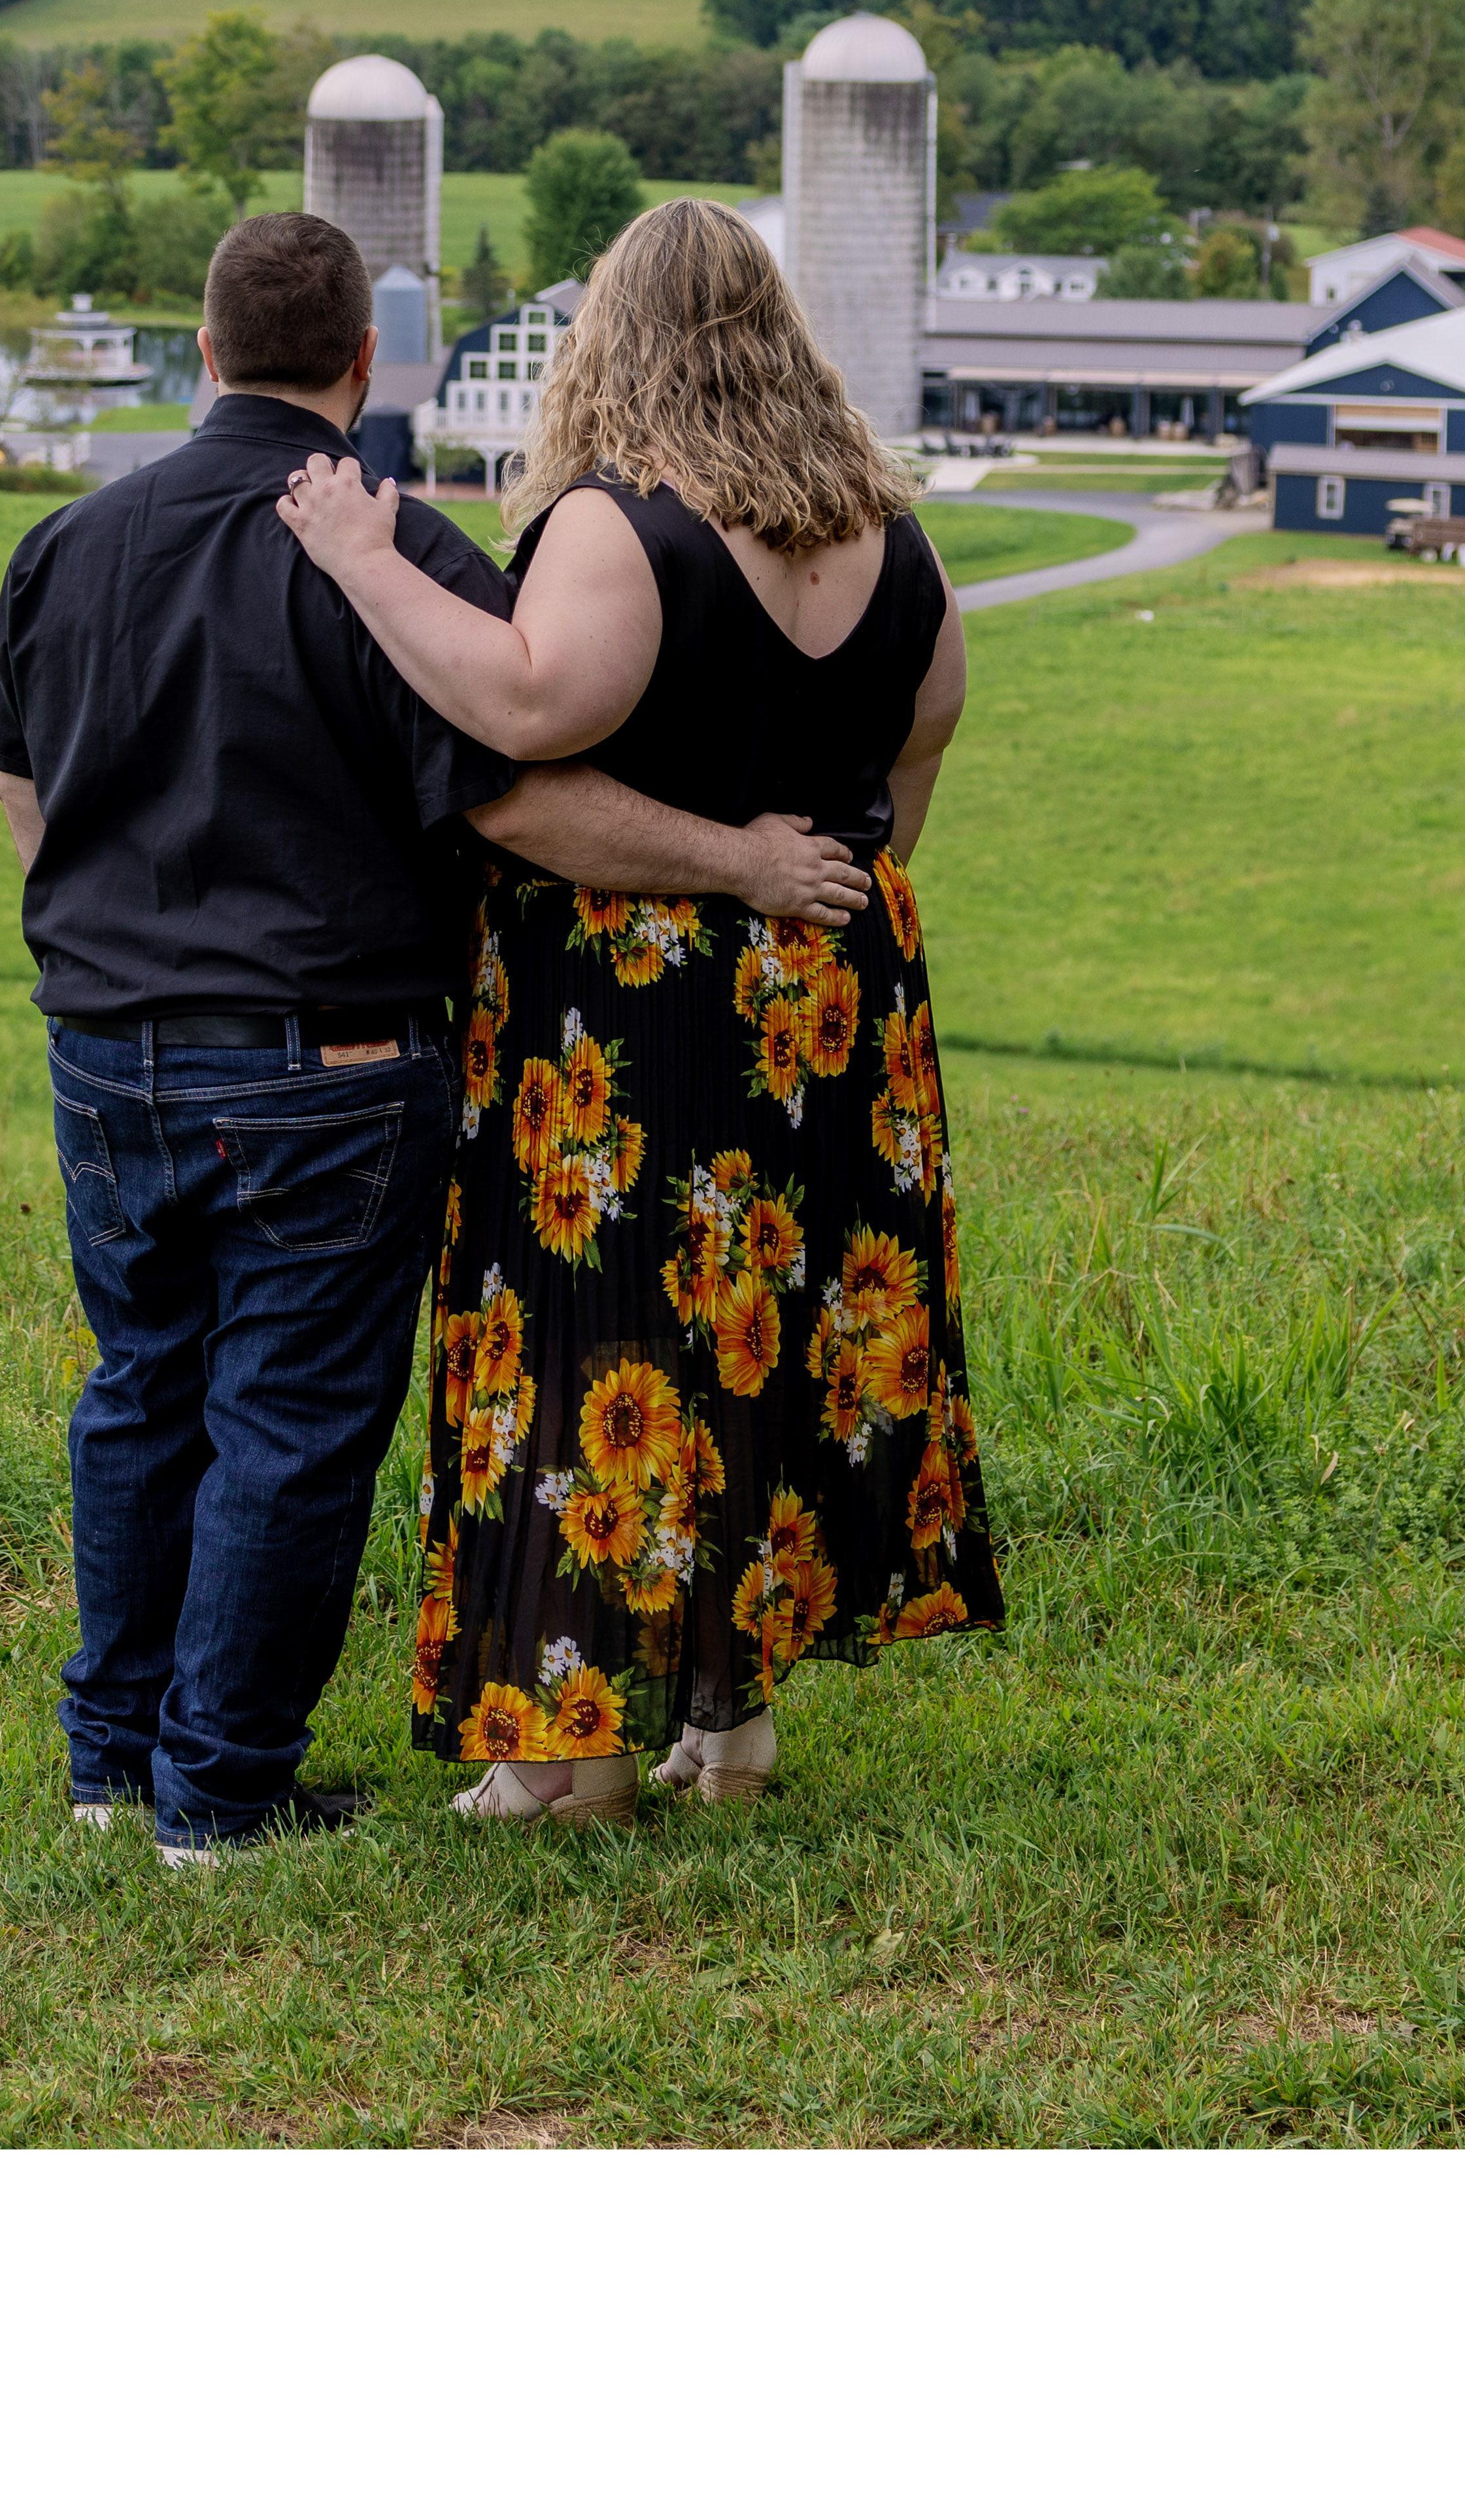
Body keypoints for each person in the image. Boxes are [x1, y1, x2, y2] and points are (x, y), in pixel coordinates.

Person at [0, 208, 883, 1868]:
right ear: (363, 360)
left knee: (137, 1392)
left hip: (101, 1048)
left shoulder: (66, 542)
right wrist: (740, 861)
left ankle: (110, 1761)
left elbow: (15, 775)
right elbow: (520, 796)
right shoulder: (402, 559)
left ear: (204, 350)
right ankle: (218, 1792)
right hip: (327, 1054)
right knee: (289, 1422)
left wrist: (102, 941)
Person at [275, 195, 1001, 1824]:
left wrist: (363, 560)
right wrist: (806, 899)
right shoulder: (895, 537)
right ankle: (731, 1732)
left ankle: (570, 1757)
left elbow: (530, 712)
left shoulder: (623, 521)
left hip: (630, 1006)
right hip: (834, 1002)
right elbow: (918, 749)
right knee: (764, 1340)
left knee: (594, 1338)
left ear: (609, 337)